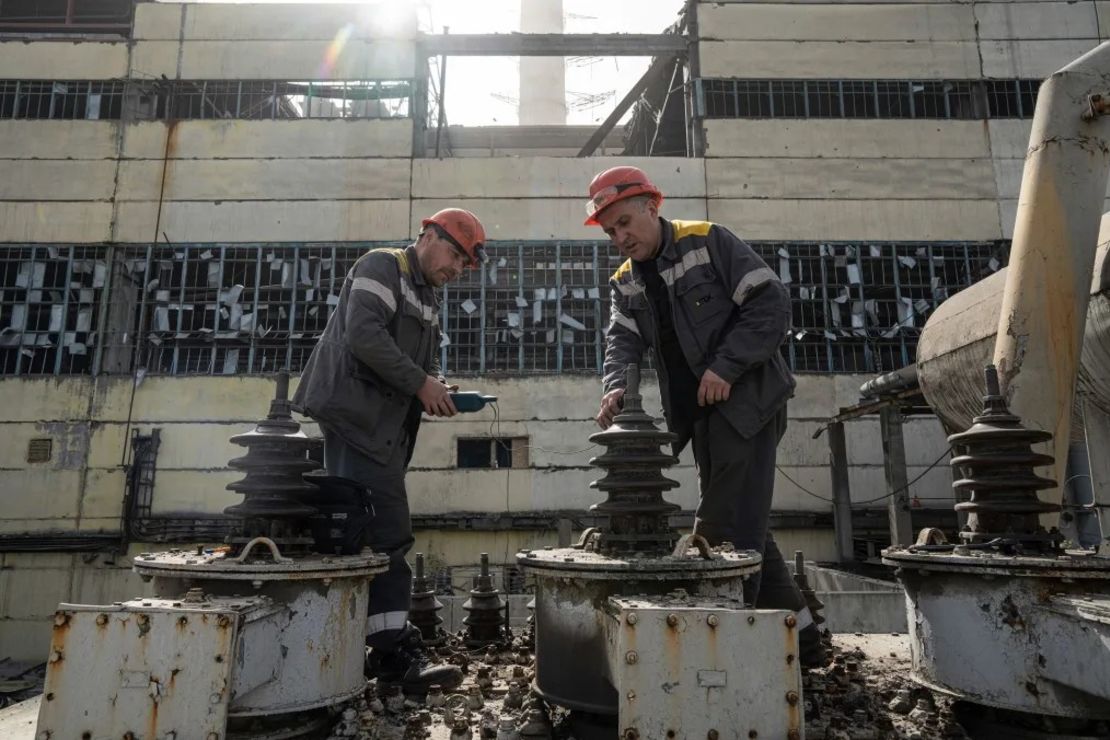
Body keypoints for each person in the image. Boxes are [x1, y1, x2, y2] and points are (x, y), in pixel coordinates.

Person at [586, 166, 824, 665]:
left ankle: (729, 651)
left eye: (626, 222)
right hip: (700, 416)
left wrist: (725, 367)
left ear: (653, 206)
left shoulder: (708, 241)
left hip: (747, 401)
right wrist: (614, 389)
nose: (620, 237)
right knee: (745, 519)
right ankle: (802, 639)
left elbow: (771, 304)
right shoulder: (626, 281)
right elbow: (622, 341)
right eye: (611, 231)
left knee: (723, 527)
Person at [293, 208, 488, 691]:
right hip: (355, 417)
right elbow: (363, 336)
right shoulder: (383, 267)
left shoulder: (426, 295)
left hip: (380, 426)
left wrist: (435, 386)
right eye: (456, 256)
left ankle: (356, 647)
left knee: (356, 531)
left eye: (465, 265)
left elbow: (408, 361)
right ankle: (392, 657)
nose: (457, 270)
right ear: (428, 236)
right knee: (388, 530)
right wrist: (421, 382)